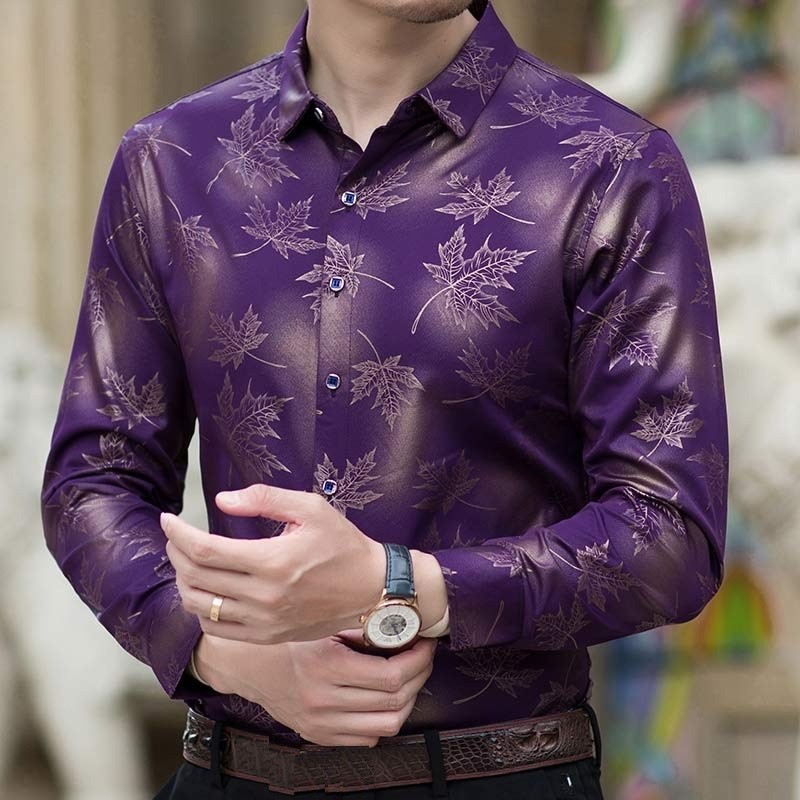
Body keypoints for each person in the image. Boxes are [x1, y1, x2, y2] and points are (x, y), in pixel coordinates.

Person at [41, 0, 728, 797]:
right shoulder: (172, 161)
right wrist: (218, 651)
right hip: (226, 772)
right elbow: (92, 481)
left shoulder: (610, 166)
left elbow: (670, 536)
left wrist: (401, 585)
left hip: (499, 776)